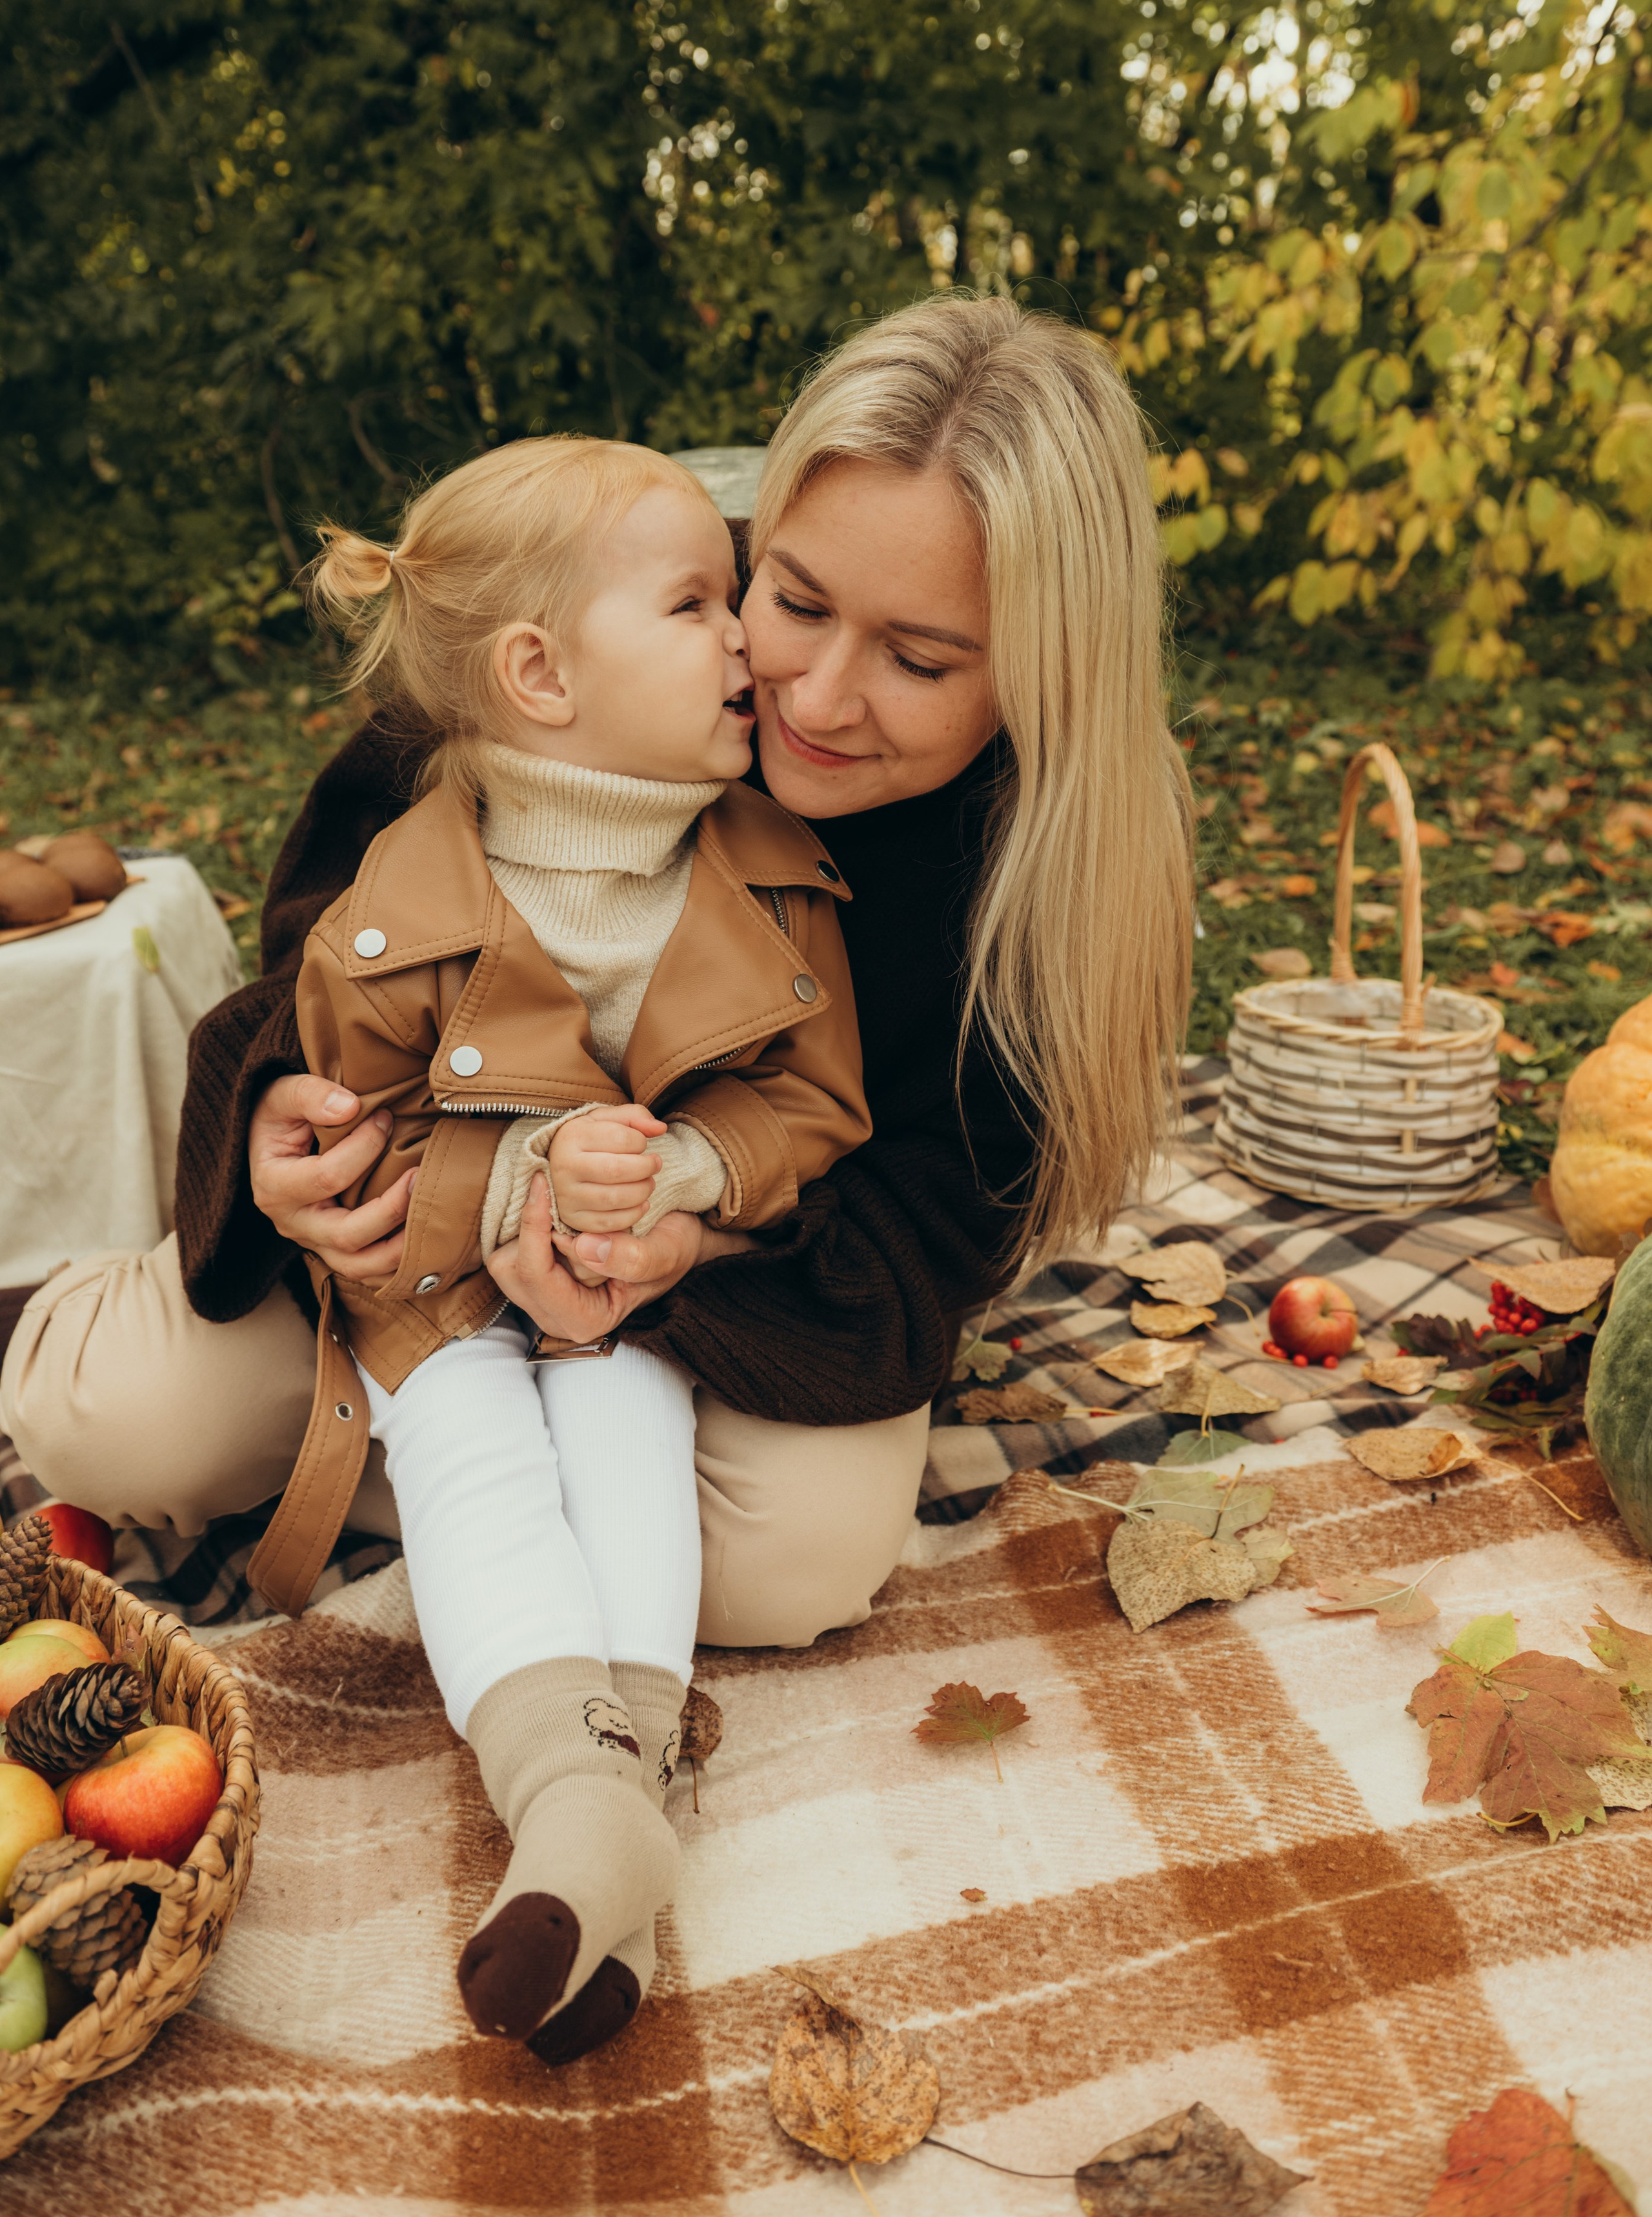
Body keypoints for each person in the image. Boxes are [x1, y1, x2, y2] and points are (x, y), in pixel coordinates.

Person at [3, 292, 1195, 1958]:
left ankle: (478, 1513)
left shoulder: (1035, 875)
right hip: (428, 1242)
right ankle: (398, 1445)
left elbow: (938, 1213)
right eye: (789, 596)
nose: (817, 691)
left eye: (921, 659)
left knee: (805, 1557)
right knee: (104, 1420)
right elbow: (327, 939)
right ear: (752, 542)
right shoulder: (585, 615)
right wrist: (293, 1122)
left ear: (1044, 673)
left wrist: (682, 1238)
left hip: (730, 1294)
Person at [268, 436, 869, 2065]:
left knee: (629, 1445)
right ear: (537, 672)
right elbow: (356, 1125)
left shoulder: (771, 875)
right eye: (695, 603)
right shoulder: (393, 905)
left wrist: (686, 1171)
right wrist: (525, 1170)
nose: (746, 636)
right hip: (448, 1295)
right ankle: (590, 1805)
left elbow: (811, 1106)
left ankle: (592, 1838)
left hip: (646, 1296)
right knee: (471, 1461)